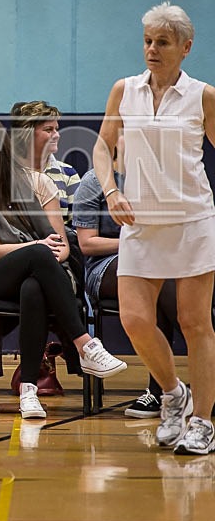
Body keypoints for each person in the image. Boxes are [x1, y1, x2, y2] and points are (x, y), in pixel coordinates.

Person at [92, 2, 215, 454]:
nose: (152, 49)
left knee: (194, 322)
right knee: (135, 319)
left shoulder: (204, 95)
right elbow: (102, 148)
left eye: (162, 42)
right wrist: (111, 192)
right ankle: (172, 393)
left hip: (192, 220)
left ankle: (202, 419)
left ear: (186, 47)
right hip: (140, 220)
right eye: (147, 40)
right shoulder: (124, 90)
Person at [0, 117, 126, 420]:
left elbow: (61, 246)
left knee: (33, 288)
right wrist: (38, 248)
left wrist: (45, 250)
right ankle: (85, 344)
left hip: (43, 275)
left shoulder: (38, 182)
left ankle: (28, 392)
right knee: (37, 255)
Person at [73, 137, 177, 418]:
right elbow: (87, 244)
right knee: (153, 279)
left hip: (155, 264)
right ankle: (161, 392)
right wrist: (133, 242)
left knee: (161, 284)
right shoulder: (95, 181)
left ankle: (163, 392)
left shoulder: (156, 179)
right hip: (105, 268)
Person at [10, 100, 80, 226]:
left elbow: (76, 223)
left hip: (59, 243)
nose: (57, 135)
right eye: (49, 130)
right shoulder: (5, 171)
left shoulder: (68, 173)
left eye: (56, 129)